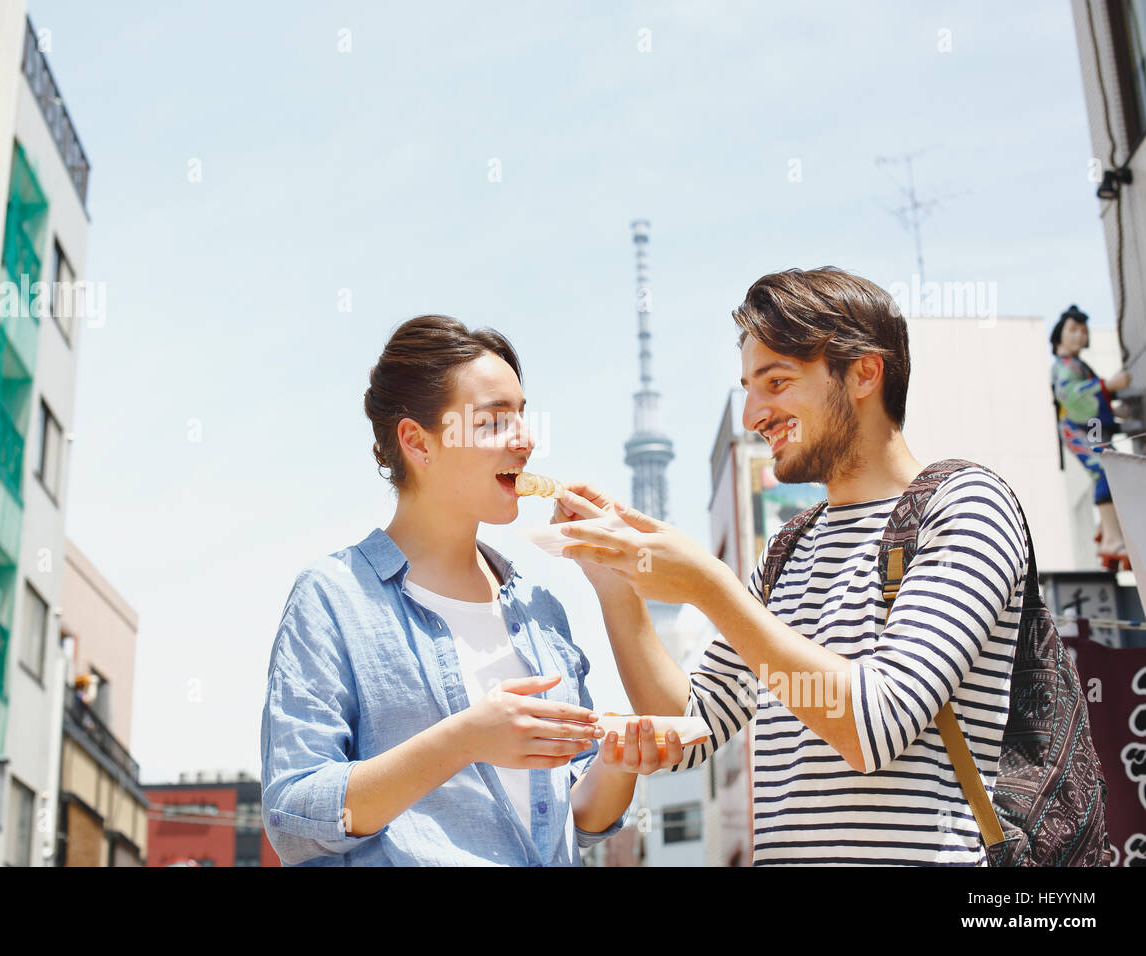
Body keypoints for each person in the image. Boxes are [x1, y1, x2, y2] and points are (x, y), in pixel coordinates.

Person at [558, 267, 1030, 865]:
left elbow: (874, 726)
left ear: (863, 372)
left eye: (776, 382)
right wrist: (613, 579)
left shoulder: (964, 506)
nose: (756, 413)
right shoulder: (788, 552)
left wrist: (708, 585)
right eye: (749, 388)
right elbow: (691, 733)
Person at [260, 314, 690, 866]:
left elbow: (578, 820)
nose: (526, 441)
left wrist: (618, 761)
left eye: (523, 417)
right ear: (418, 441)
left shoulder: (540, 611)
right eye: (494, 422)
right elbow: (293, 818)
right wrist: (463, 739)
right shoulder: (334, 597)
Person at [1050, 304, 1132, 567]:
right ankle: (1110, 537)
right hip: (1076, 429)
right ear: (1059, 335)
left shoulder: (1077, 365)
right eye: (1073, 330)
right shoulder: (1063, 366)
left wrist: (1115, 408)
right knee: (1103, 470)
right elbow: (1072, 396)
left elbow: (1091, 399)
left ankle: (1109, 529)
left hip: (1092, 427)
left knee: (1109, 468)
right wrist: (1107, 385)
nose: (1079, 336)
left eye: (1083, 331)